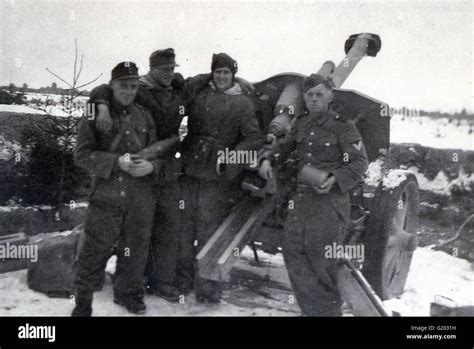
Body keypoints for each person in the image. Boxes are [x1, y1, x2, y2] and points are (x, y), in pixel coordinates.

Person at [88, 49, 255, 302]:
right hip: (143, 159)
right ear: (151, 69)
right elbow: (106, 88)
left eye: (171, 68)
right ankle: (131, 280)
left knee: (174, 225)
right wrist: (100, 107)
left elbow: (252, 134)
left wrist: (236, 81)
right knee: (146, 227)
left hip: (172, 164)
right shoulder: (142, 89)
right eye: (163, 69)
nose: (169, 73)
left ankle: (173, 282)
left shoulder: (184, 89)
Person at [258, 74, 368, 316]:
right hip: (302, 200)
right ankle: (313, 310)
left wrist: (334, 178)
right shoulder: (301, 123)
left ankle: (327, 313)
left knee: (321, 261)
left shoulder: (343, 126)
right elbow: (284, 145)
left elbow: (359, 162)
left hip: (329, 203)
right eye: (309, 95)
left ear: (330, 96)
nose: (314, 99)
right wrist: (267, 158)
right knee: (293, 252)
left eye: (320, 94)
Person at [72, 62, 162, 316]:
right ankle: (83, 300)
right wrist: (115, 162)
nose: (129, 91)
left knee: (134, 249)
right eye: (123, 85)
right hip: (107, 194)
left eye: (134, 86)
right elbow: (81, 155)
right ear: (112, 86)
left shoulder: (144, 115)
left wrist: (151, 167)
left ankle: (128, 294)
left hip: (139, 196)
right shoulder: (95, 114)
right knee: (94, 250)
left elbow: (157, 152)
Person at [179, 53, 263, 303]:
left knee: (208, 229)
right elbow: (185, 87)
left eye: (227, 72)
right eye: (217, 72)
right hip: (189, 168)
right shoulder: (200, 95)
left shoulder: (243, 103)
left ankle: (207, 288)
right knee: (183, 227)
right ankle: (181, 282)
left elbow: (253, 138)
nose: (222, 77)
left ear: (233, 75)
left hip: (217, 176)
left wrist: (230, 157)